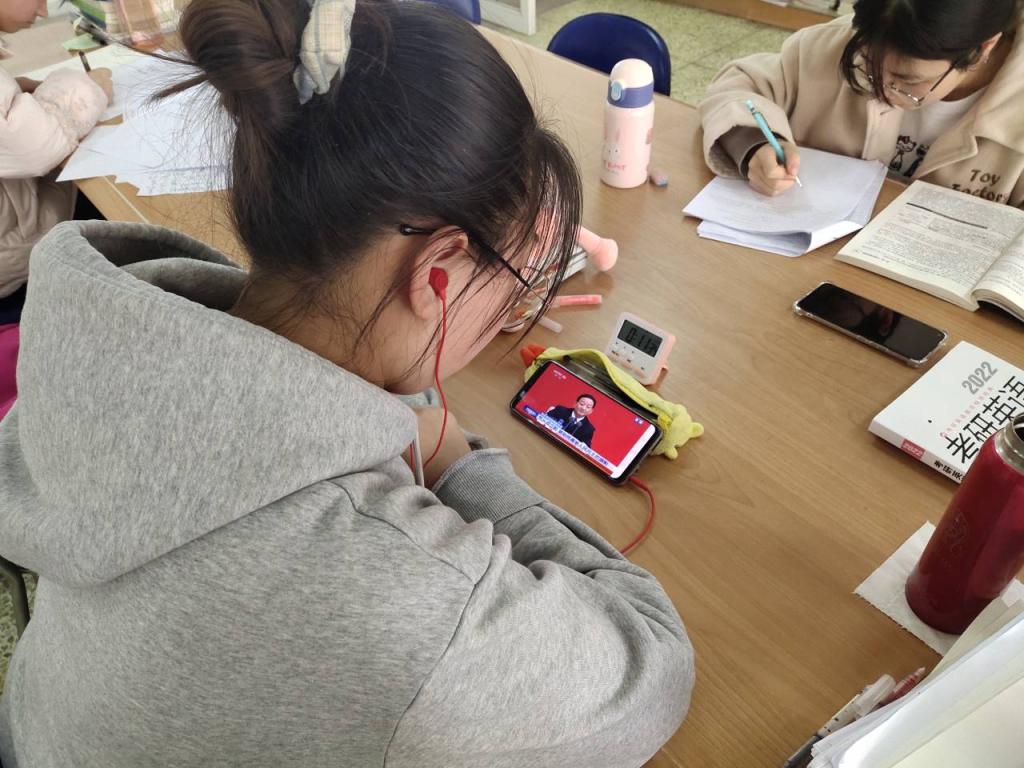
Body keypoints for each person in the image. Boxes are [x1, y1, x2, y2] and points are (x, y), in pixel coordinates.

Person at [0, 1, 694, 766]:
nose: (511, 308)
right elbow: (650, 665)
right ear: (437, 272)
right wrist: (460, 465)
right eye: (515, 283)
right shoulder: (409, 607)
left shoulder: (116, 353)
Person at [699, 0, 1024, 207]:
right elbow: (737, 87)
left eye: (909, 81)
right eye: (868, 64)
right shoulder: (828, 46)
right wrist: (754, 143)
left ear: (983, 48)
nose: (882, 89)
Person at [1, 0, 113, 300]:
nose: (44, 12)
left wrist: (14, 87)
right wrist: (89, 88)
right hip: (15, 257)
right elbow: (35, 148)